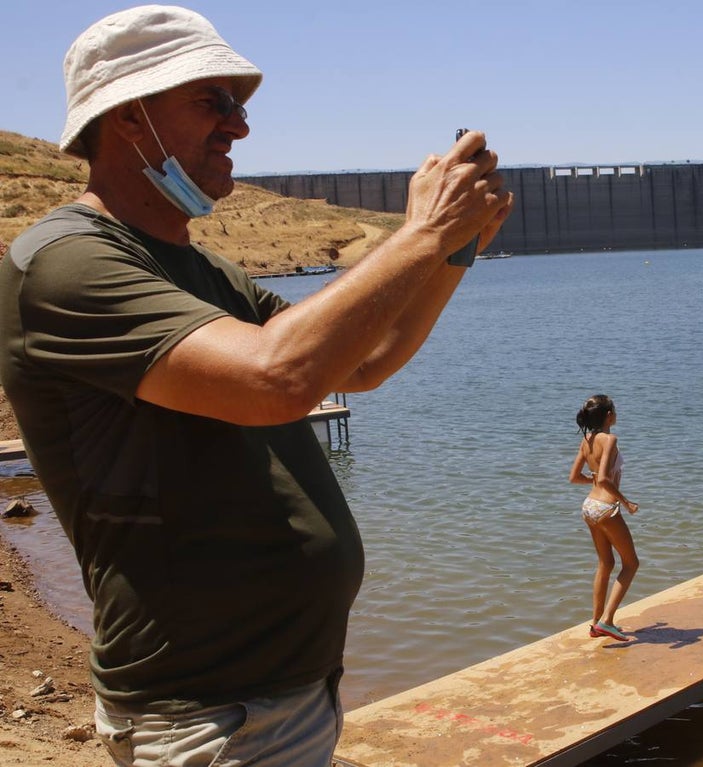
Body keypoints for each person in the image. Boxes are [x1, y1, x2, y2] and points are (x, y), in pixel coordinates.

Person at [0, 6, 513, 766]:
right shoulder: (66, 262)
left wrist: (453, 256)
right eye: (213, 102)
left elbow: (363, 362)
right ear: (127, 116)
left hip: (282, 700)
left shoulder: (201, 269)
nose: (239, 127)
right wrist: (422, 234)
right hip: (211, 719)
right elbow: (277, 378)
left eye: (239, 106)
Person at [568, 394, 640, 642]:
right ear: (609, 415)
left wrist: (594, 479)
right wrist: (626, 501)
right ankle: (607, 621)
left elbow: (574, 477)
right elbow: (607, 480)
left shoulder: (587, 440)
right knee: (631, 564)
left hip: (589, 506)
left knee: (605, 564)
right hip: (606, 508)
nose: (616, 413)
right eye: (615, 410)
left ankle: (595, 623)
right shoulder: (609, 439)